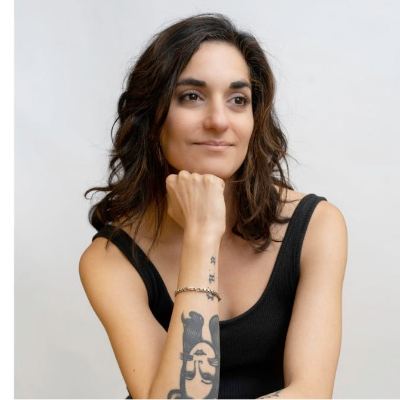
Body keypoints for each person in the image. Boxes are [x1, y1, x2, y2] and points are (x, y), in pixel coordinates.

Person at [79, 13, 347, 399]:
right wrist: (202, 238)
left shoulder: (316, 227)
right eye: (192, 96)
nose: (219, 121)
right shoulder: (111, 260)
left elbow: (311, 393)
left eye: (238, 100)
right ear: (152, 117)